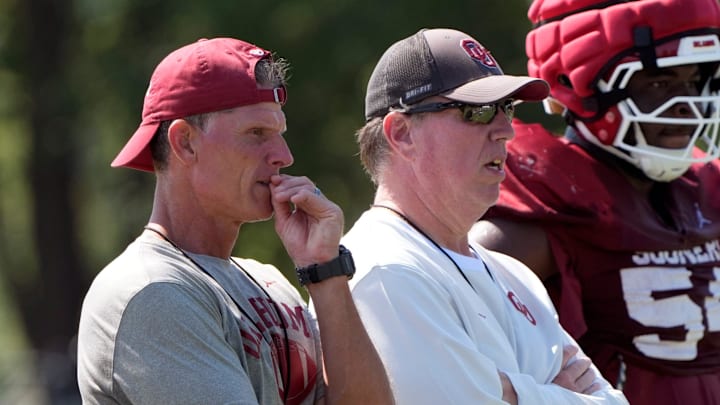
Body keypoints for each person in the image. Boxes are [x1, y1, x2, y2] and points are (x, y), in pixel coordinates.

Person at [76, 37, 393, 405]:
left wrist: (325, 270)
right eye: (257, 134)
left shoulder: (272, 283)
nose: (284, 156)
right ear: (185, 143)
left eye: (280, 135)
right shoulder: (151, 292)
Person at [342, 27, 628, 404]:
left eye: (506, 108)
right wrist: (553, 394)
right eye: (476, 111)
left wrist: (515, 394)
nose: (506, 130)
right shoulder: (385, 270)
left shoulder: (517, 275)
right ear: (402, 133)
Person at [469, 0, 720, 403]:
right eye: (659, 84)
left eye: (693, 82)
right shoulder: (550, 206)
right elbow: (439, 314)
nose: (687, 104)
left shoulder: (707, 192)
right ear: (581, 83)